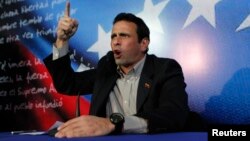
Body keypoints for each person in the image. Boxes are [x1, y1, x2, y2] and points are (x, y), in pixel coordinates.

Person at [44, 1, 193, 138]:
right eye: (113, 36)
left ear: (143, 43)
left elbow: (174, 113)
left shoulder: (165, 69)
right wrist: (62, 40)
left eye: (124, 36)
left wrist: (113, 123)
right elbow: (66, 84)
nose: (115, 41)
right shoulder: (107, 67)